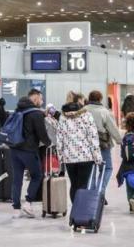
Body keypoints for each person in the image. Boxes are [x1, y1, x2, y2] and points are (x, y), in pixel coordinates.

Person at [9, 90, 50, 218]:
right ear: (36, 98)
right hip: (29, 150)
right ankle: (28, 202)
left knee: (17, 179)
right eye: (41, 99)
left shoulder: (17, 110)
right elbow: (41, 134)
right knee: (37, 175)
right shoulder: (36, 113)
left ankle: (16, 209)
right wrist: (49, 143)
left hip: (14, 149)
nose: (41, 101)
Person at [56, 100, 103, 203]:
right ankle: (80, 212)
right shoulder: (86, 116)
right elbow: (93, 137)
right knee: (83, 185)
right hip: (85, 157)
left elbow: (59, 140)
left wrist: (61, 159)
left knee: (74, 184)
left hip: (69, 158)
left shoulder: (62, 118)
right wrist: (98, 158)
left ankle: (75, 212)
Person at [85, 90, 122, 203]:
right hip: (102, 144)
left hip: (86, 145)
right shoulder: (104, 112)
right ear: (100, 99)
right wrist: (120, 140)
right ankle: (100, 191)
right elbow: (112, 128)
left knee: (90, 169)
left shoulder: (83, 111)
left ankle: (91, 193)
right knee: (106, 168)